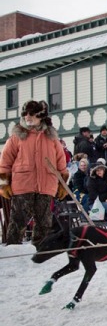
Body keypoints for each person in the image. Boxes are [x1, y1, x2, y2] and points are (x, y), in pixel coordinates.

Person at [0, 100, 68, 247]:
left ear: (40, 116)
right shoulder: (17, 137)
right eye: (25, 114)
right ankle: (13, 248)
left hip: (46, 185)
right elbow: (5, 161)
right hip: (22, 184)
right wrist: (4, 184)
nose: (27, 117)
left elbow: (61, 161)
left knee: (44, 221)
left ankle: (41, 249)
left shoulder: (51, 138)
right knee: (18, 219)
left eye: (31, 114)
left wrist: (62, 182)